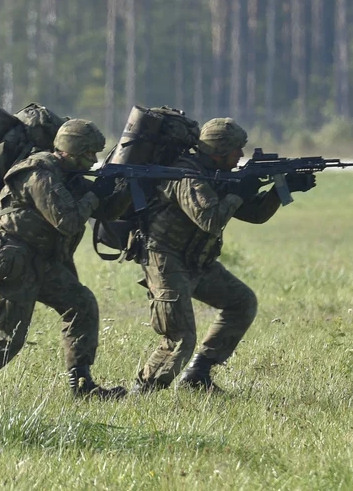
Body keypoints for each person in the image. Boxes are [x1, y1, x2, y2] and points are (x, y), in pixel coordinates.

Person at [0, 119, 129, 400]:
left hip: (42, 261)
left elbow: (106, 213)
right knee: (8, 336)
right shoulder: (38, 173)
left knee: (81, 304)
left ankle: (82, 386)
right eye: (89, 154)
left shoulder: (67, 174)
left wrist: (120, 188)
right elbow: (67, 221)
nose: (93, 160)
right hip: (14, 262)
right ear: (70, 151)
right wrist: (92, 196)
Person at [132, 117, 316, 393]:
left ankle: (198, 374)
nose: (241, 155)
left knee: (241, 302)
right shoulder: (187, 175)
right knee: (181, 337)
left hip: (196, 260)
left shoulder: (217, 175)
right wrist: (239, 191)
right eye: (236, 150)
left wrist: (282, 190)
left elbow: (254, 214)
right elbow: (210, 219)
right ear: (219, 151)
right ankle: (143, 392)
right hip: (166, 260)